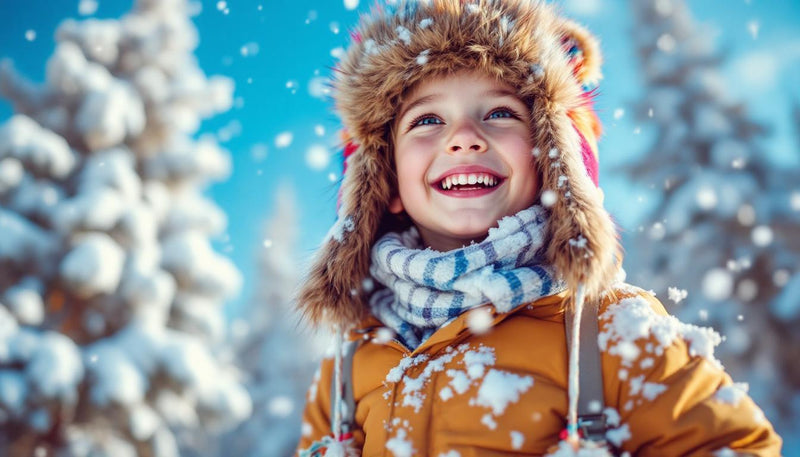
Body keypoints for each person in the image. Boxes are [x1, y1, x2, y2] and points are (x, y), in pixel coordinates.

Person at [295, 0, 783, 455]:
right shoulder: (348, 365)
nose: (464, 138)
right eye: (427, 120)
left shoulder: (612, 332)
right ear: (386, 182)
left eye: (500, 113)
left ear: (551, 162)